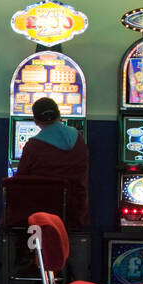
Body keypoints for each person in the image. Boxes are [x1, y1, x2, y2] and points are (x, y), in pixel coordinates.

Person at [15, 96, 89, 228]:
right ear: (59, 115)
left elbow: (20, 181)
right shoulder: (79, 139)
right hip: (74, 212)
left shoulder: (33, 146)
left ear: (35, 121)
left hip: (41, 214)